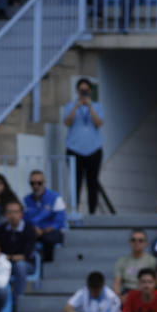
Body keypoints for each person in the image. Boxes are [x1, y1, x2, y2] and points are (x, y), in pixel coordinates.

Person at [64, 78, 104, 214]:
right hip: (74, 149)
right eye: (81, 90)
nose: (84, 93)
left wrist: (90, 107)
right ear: (77, 91)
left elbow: (99, 123)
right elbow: (68, 122)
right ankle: (74, 211)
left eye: (86, 90)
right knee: (76, 182)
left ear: (90, 91)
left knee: (92, 182)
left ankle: (92, 212)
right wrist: (77, 106)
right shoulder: (70, 106)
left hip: (93, 149)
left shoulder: (97, 106)